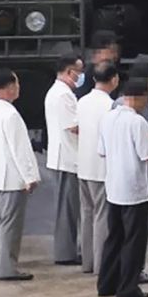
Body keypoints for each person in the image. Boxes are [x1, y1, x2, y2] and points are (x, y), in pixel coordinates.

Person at [97, 79, 148, 297]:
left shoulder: (107, 118)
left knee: (114, 236)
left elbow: (102, 151)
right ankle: (128, 288)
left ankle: (106, 284)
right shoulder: (138, 122)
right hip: (134, 189)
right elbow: (146, 154)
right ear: (140, 97)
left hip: (113, 186)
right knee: (134, 240)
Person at [0, 68, 41, 281]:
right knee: (10, 225)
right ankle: (7, 268)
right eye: (16, 84)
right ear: (9, 87)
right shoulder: (11, 114)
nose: (18, 88)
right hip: (11, 178)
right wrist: (30, 176)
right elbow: (20, 149)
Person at [116, 61, 148, 284]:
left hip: (117, 179)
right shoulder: (140, 111)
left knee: (118, 229)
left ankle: (119, 270)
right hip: (139, 179)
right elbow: (145, 148)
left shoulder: (114, 109)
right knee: (137, 230)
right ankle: (134, 272)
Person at [76, 60, 120, 273]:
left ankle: (87, 262)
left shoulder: (82, 101)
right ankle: (102, 265)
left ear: (93, 79)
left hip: (83, 165)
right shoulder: (111, 105)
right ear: (114, 80)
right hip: (102, 168)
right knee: (102, 216)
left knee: (87, 215)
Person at [45, 52, 85, 265]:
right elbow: (73, 126)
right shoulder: (62, 95)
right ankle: (65, 253)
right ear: (70, 72)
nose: (81, 76)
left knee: (69, 208)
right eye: (79, 72)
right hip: (67, 159)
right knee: (67, 209)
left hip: (66, 157)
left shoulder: (60, 92)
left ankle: (68, 250)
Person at [75, 30, 122, 99]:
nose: (116, 55)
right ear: (97, 53)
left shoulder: (116, 73)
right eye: (112, 50)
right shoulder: (85, 79)